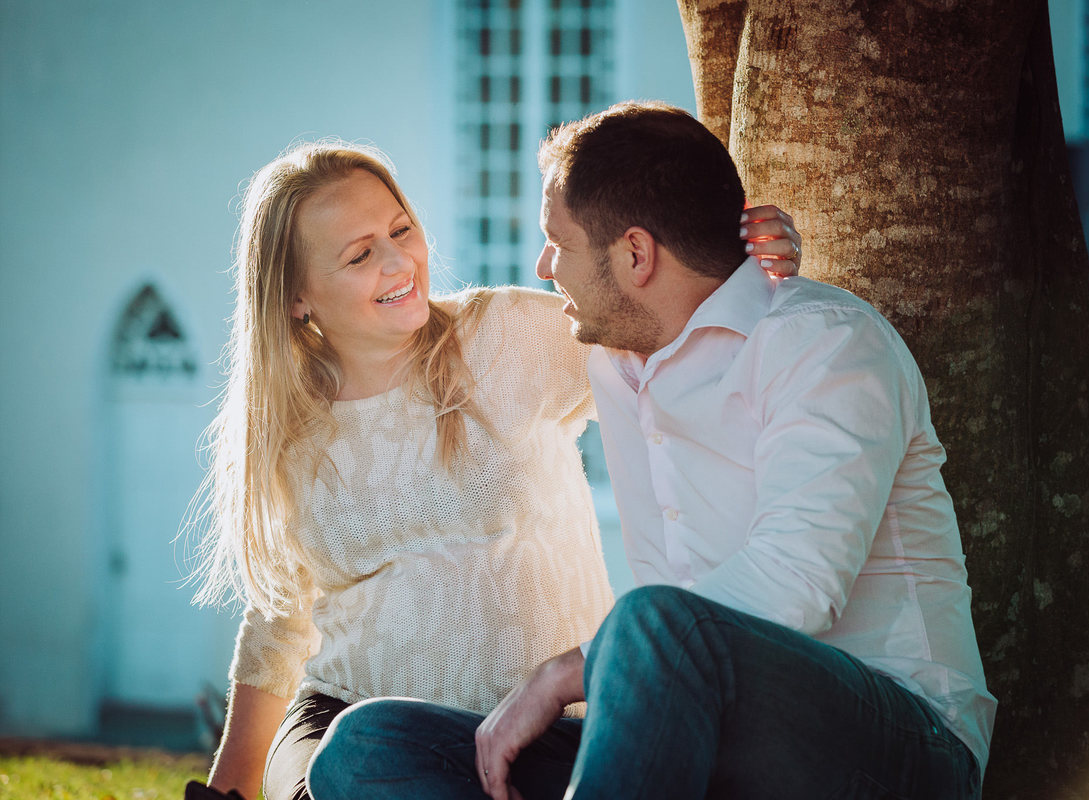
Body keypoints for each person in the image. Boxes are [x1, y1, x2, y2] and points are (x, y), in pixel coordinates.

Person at [308, 102, 996, 800]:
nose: (543, 266)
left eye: (558, 242)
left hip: (900, 747)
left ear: (636, 255)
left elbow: (795, 584)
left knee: (653, 619)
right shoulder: (613, 357)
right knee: (367, 749)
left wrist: (566, 672)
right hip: (689, 745)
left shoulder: (826, 344)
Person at [189, 138, 802, 800]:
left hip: (539, 731)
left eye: (401, 230)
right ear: (296, 298)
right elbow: (279, 622)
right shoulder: (291, 429)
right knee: (350, 769)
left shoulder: (504, 337)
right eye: (360, 255)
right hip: (343, 725)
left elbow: (669, 357)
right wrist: (229, 788)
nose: (399, 262)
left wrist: (742, 275)